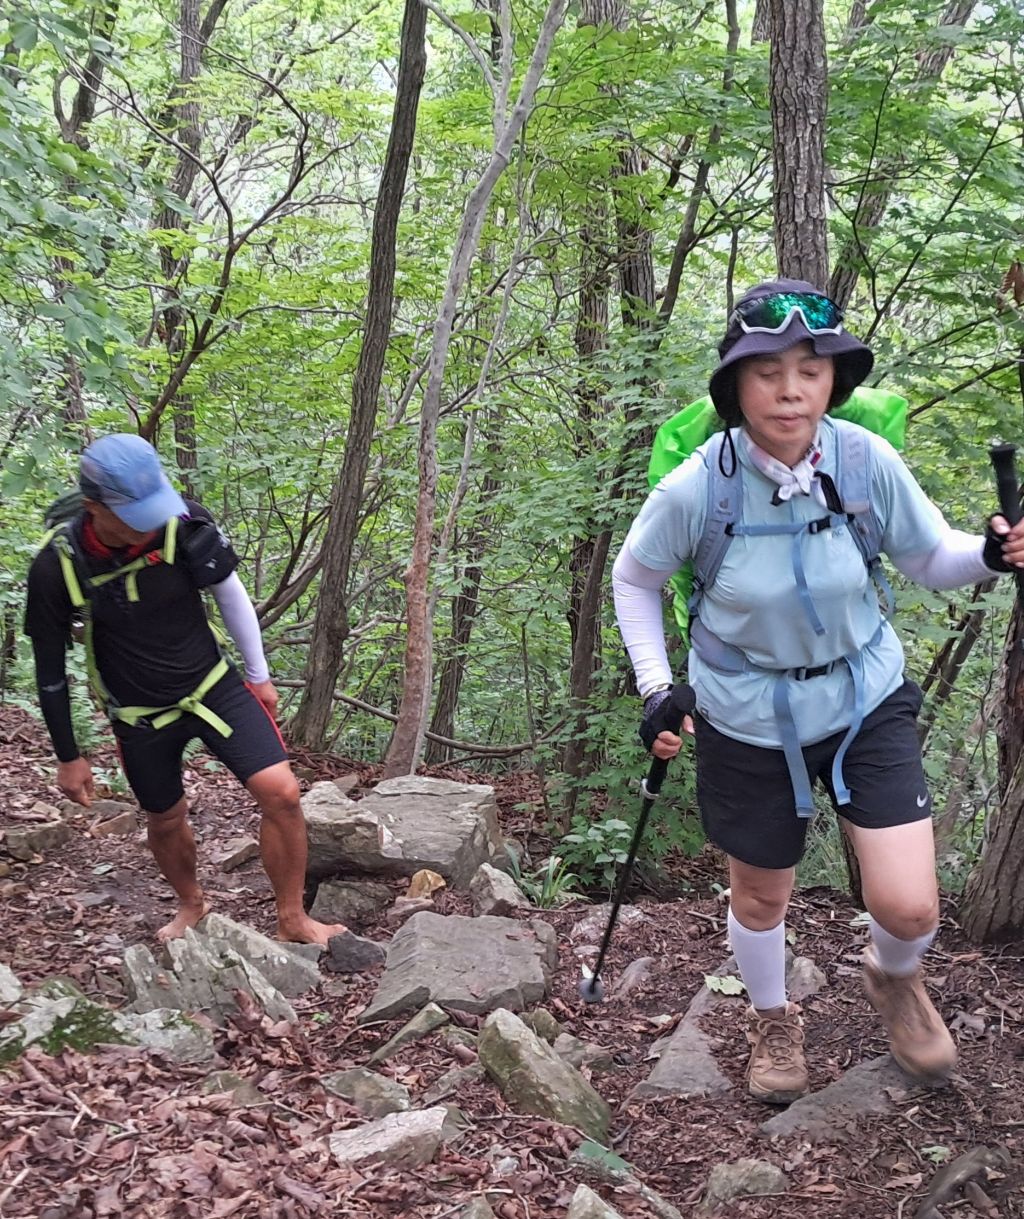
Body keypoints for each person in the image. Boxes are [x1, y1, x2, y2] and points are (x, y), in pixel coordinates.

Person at [612, 279, 1024, 1103]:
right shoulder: (699, 485)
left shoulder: (865, 461)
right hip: (745, 714)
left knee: (910, 907)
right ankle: (773, 1017)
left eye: (809, 370)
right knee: (762, 894)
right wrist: (656, 685)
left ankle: (894, 976)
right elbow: (636, 578)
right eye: (767, 372)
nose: (790, 390)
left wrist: (987, 553)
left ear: (834, 380)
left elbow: (927, 557)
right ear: (736, 385)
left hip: (864, 695)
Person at [25, 434, 344, 947]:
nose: (151, 524)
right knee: (166, 818)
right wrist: (69, 755)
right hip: (139, 713)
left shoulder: (184, 523)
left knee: (283, 794)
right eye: (136, 515)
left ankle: (292, 918)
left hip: (213, 687)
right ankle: (192, 904)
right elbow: (50, 669)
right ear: (94, 507)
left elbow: (229, 592)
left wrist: (259, 675)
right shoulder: (57, 566)